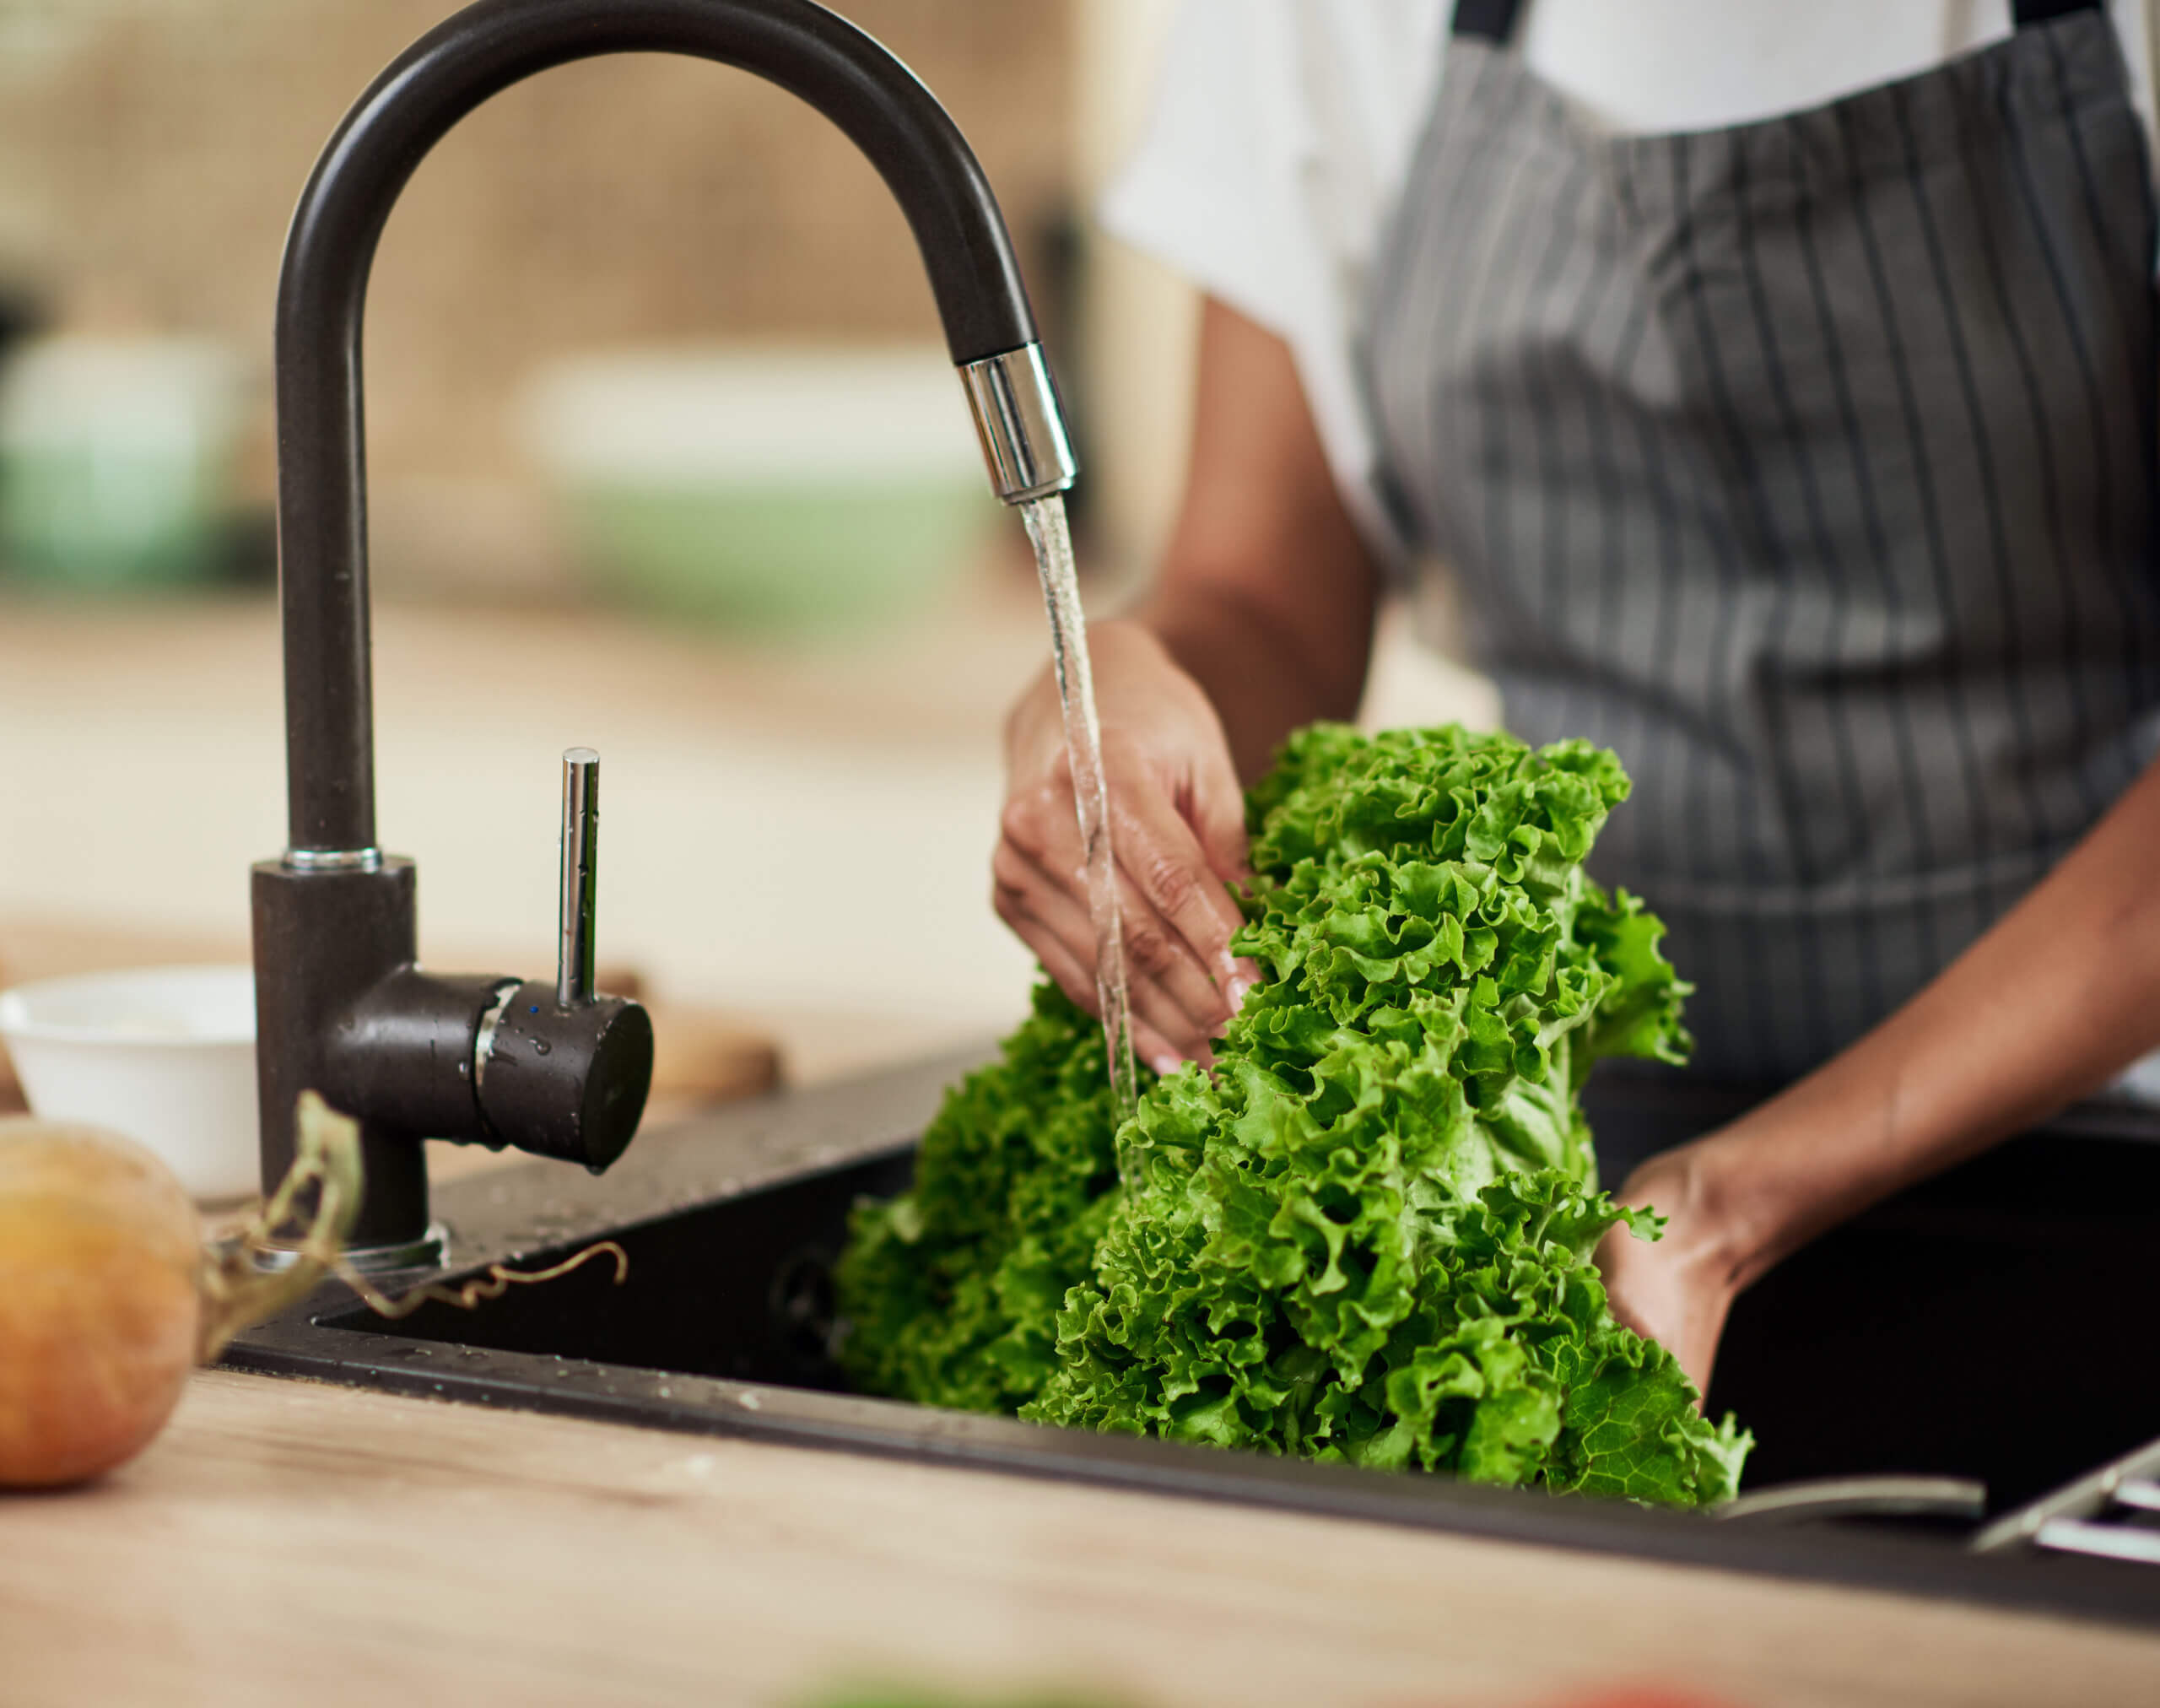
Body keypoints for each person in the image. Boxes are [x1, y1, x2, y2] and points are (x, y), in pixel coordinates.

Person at [992, 0, 2160, 1397]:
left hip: (2109, 1138)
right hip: (1590, 1175)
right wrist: (1117, 687)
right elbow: (1257, 599)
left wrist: (1731, 1206)